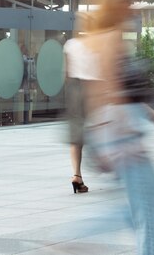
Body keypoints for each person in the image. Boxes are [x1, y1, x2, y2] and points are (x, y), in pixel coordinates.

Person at [81, 0, 154, 255]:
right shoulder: (109, 40)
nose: (132, 6)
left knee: (135, 209)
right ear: (117, 3)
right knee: (153, 212)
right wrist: (118, 139)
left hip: (120, 132)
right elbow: (106, 92)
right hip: (122, 135)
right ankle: (73, 241)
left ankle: (74, 241)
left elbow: (126, 93)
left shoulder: (110, 37)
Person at [63, 14, 92, 194]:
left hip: (73, 88)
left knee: (76, 136)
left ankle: (77, 175)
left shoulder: (70, 44)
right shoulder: (96, 44)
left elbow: (66, 72)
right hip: (91, 86)